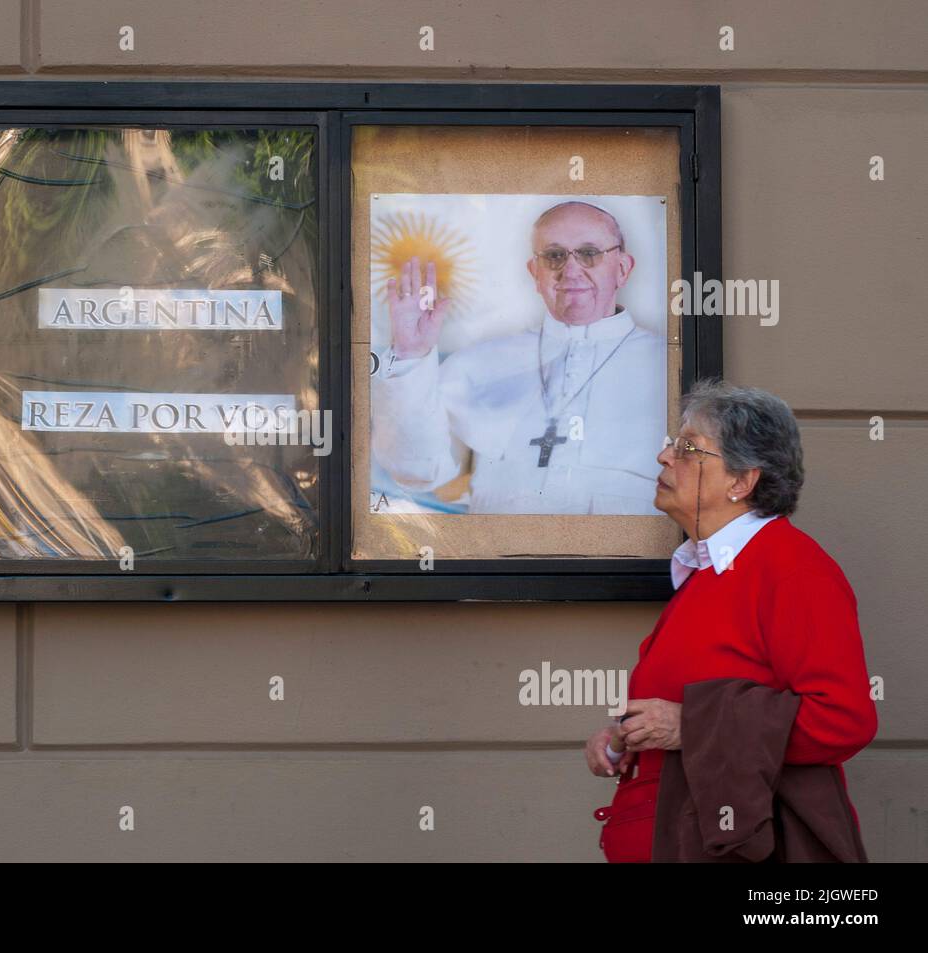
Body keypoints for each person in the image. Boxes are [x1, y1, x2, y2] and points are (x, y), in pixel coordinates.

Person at [584, 379, 878, 862]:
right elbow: (697, 711)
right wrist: (625, 739)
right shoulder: (708, 572)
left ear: (741, 482)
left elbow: (843, 721)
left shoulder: (790, 568)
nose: (664, 458)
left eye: (688, 449)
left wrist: (690, 727)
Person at [371, 200, 665, 514]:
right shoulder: (479, 362)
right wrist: (411, 356)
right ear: (535, 273)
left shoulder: (666, 366)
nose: (571, 270)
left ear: (622, 268)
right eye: (554, 256)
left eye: (589, 254)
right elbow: (416, 469)